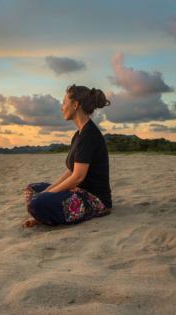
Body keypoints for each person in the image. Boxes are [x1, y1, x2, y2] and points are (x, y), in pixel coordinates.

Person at [23, 84, 112, 228]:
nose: (62, 107)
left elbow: (78, 177)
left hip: (94, 199)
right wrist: (48, 190)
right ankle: (44, 214)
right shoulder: (79, 134)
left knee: (38, 202)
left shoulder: (89, 135)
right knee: (32, 189)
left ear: (75, 105)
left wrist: (48, 195)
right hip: (76, 192)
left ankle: (43, 215)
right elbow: (71, 171)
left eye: (64, 103)